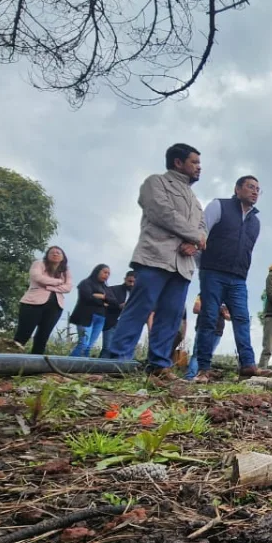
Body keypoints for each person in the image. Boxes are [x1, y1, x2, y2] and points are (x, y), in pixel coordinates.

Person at [107, 142, 206, 379]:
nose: (199, 167)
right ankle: (116, 362)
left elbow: (202, 228)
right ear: (178, 162)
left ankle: (159, 365)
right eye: (194, 162)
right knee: (140, 308)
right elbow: (162, 212)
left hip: (182, 265)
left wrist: (195, 243)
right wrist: (194, 236)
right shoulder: (155, 183)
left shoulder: (194, 199)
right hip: (156, 257)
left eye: (199, 163)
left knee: (171, 315)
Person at [193, 175, 269, 381]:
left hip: (238, 278)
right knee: (209, 318)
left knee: (242, 319)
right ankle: (203, 368)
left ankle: (247, 365)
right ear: (237, 189)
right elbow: (202, 235)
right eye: (250, 187)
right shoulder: (219, 206)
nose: (254, 192)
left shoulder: (255, 222)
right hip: (212, 273)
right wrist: (205, 267)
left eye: (258, 189)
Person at [14, 247, 73, 355]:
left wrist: (50, 287)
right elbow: (38, 278)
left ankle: (35, 366)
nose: (55, 254)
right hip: (32, 304)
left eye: (58, 252)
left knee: (43, 337)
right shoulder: (39, 263)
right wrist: (59, 282)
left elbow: (68, 287)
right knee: (23, 334)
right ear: (47, 255)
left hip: (56, 307)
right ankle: (8, 362)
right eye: (52, 252)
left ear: (63, 256)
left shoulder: (65, 270)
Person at [68, 264, 112, 357]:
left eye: (108, 273)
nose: (106, 275)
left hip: (101, 319)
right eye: (105, 272)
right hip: (85, 317)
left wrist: (101, 296)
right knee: (83, 344)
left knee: (89, 346)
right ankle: (68, 366)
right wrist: (103, 302)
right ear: (97, 271)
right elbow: (87, 297)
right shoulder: (86, 283)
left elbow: (112, 300)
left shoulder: (105, 288)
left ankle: (81, 368)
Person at [186, 297, 230, 379]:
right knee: (197, 353)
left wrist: (224, 313)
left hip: (218, 330)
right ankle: (190, 376)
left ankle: (202, 376)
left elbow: (229, 317)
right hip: (204, 328)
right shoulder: (203, 294)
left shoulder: (226, 299)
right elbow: (196, 309)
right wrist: (215, 309)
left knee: (208, 354)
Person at [101, 270, 135, 358]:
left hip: (128, 325)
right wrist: (119, 306)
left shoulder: (138, 295)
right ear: (125, 279)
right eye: (129, 281)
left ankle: (119, 369)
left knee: (124, 350)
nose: (131, 284)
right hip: (112, 323)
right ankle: (100, 369)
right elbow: (105, 304)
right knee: (107, 348)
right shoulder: (113, 289)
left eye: (134, 282)